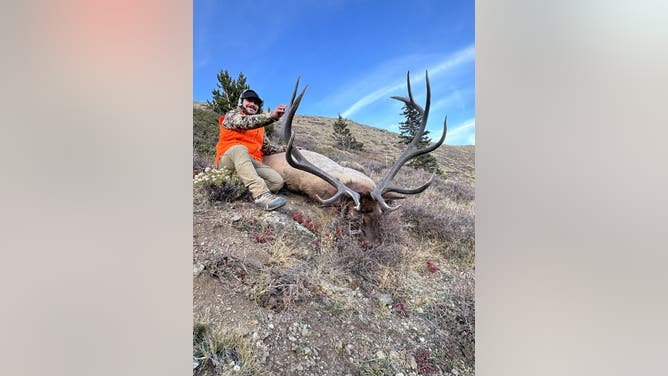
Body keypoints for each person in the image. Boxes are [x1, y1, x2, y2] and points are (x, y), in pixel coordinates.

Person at [214, 89, 289, 211]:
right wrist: (272, 116)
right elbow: (244, 123)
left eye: (256, 103)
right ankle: (261, 195)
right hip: (228, 160)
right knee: (240, 149)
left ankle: (237, 190)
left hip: (250, 164)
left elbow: (268, 149)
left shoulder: (260, 129)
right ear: (241, 102)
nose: (253, 105)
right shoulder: (232, 116)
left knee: (277, 181)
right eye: (249, 100)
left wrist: (287, 148)